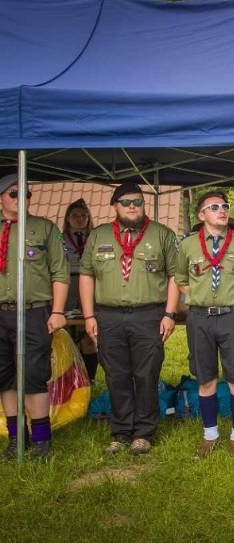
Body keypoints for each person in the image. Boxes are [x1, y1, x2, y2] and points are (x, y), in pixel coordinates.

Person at [79, 182, 179, 456]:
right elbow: (86, 275)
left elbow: (175, 276)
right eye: (126, 202)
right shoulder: (98, 236)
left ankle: (144, 432)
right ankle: (121, 431)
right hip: (108, 316)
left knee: (147, 374)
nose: (133, 206)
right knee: (116, 374)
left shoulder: (162, 234)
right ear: (115, 206)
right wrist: (89, 315)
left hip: (148, 315)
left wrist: (169, 314)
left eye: (137, 201)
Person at [176, 191, 234, 459]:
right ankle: (209, 434)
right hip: (199, 317)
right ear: (202, 215)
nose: (222, 210)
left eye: (225, 206)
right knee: (206, 379)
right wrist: (200, 298)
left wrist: (229, 299)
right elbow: (181, 278)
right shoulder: (187, 245)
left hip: (231, 317)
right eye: (214, 207)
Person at [0, 174, 69, 460]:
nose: (21, 198)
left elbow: (60, 272)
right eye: (14, 193)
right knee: (4, 377)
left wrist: (57, 311)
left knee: (33, 375)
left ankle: (42, 440)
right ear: (1, 197)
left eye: (26, 193)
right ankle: (17, 439)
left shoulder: (44, 229)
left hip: (33, 312)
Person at [61, 198, 98, 380]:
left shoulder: (96, 238)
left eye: (83, 215)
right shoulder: (58, 239)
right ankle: (68, 378)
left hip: (91, 284)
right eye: (74, 215)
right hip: (67, 285)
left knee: (89, 335)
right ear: (67, 219)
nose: (79, 219)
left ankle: (88, 379)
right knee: (66, 334)